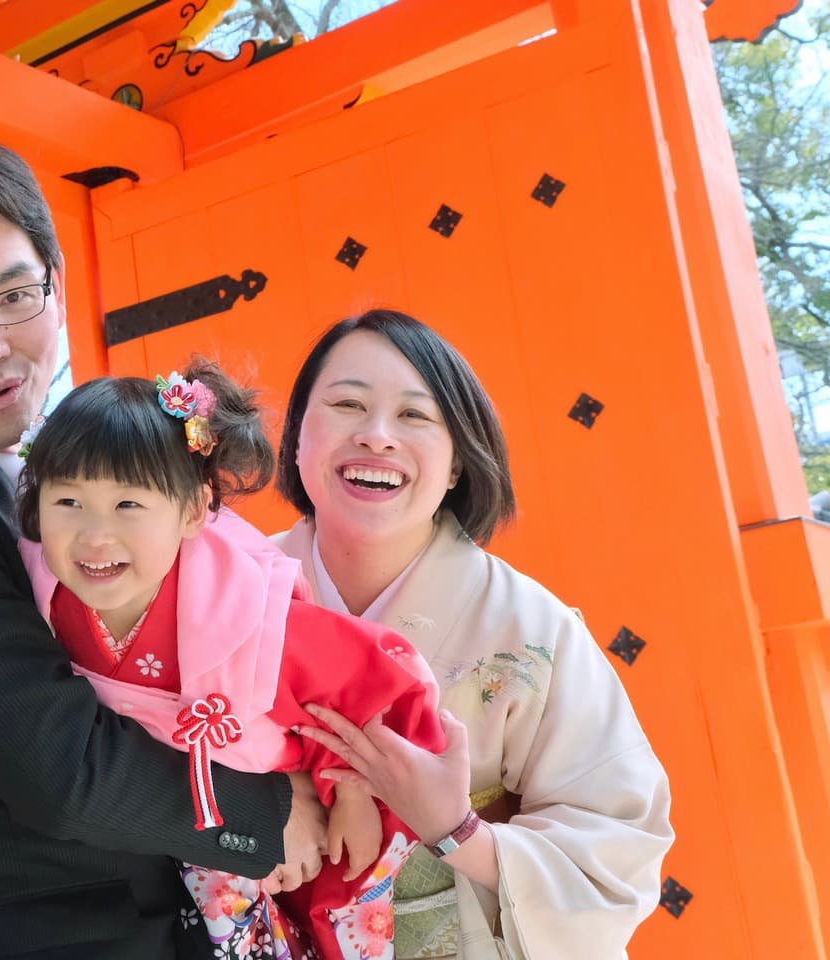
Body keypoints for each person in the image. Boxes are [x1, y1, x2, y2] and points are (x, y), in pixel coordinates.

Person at [0, 126, 328, 959]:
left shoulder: (38, 467)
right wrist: (270, 812)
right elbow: (61, 770)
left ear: (56, 290)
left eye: (14, 296)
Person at [275, 310, 674, 959]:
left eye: (415, 416)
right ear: (297, 440)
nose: (376, 436)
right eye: (347, 404)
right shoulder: (224, 593)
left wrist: (455, 829)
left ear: (458, 463)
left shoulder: (532, 628)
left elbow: (618, 849)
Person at [14, 362, 446, 959]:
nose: (94, 537)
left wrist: (349, 793)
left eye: (128, 506)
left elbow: (366, 684)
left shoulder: (248, 610)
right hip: (167, 820)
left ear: (193, 511)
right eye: (67, 501)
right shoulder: (36, 596)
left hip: (293, 798)